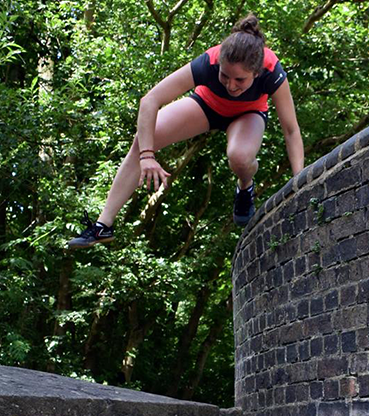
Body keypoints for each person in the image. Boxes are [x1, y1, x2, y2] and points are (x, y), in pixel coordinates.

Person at [67, 15, 304, 249]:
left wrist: (300, 182)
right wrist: (147, 155)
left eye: (240, 79)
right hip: (206, 106)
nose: (231, 86)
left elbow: (291, 131)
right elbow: (150, 100)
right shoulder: (208, 61)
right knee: (143, 139)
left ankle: (245, 186)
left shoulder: (271, 70)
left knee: (239, 157)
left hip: (248, 115)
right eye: (225, 76)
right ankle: (103, 226)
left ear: (255, 73)